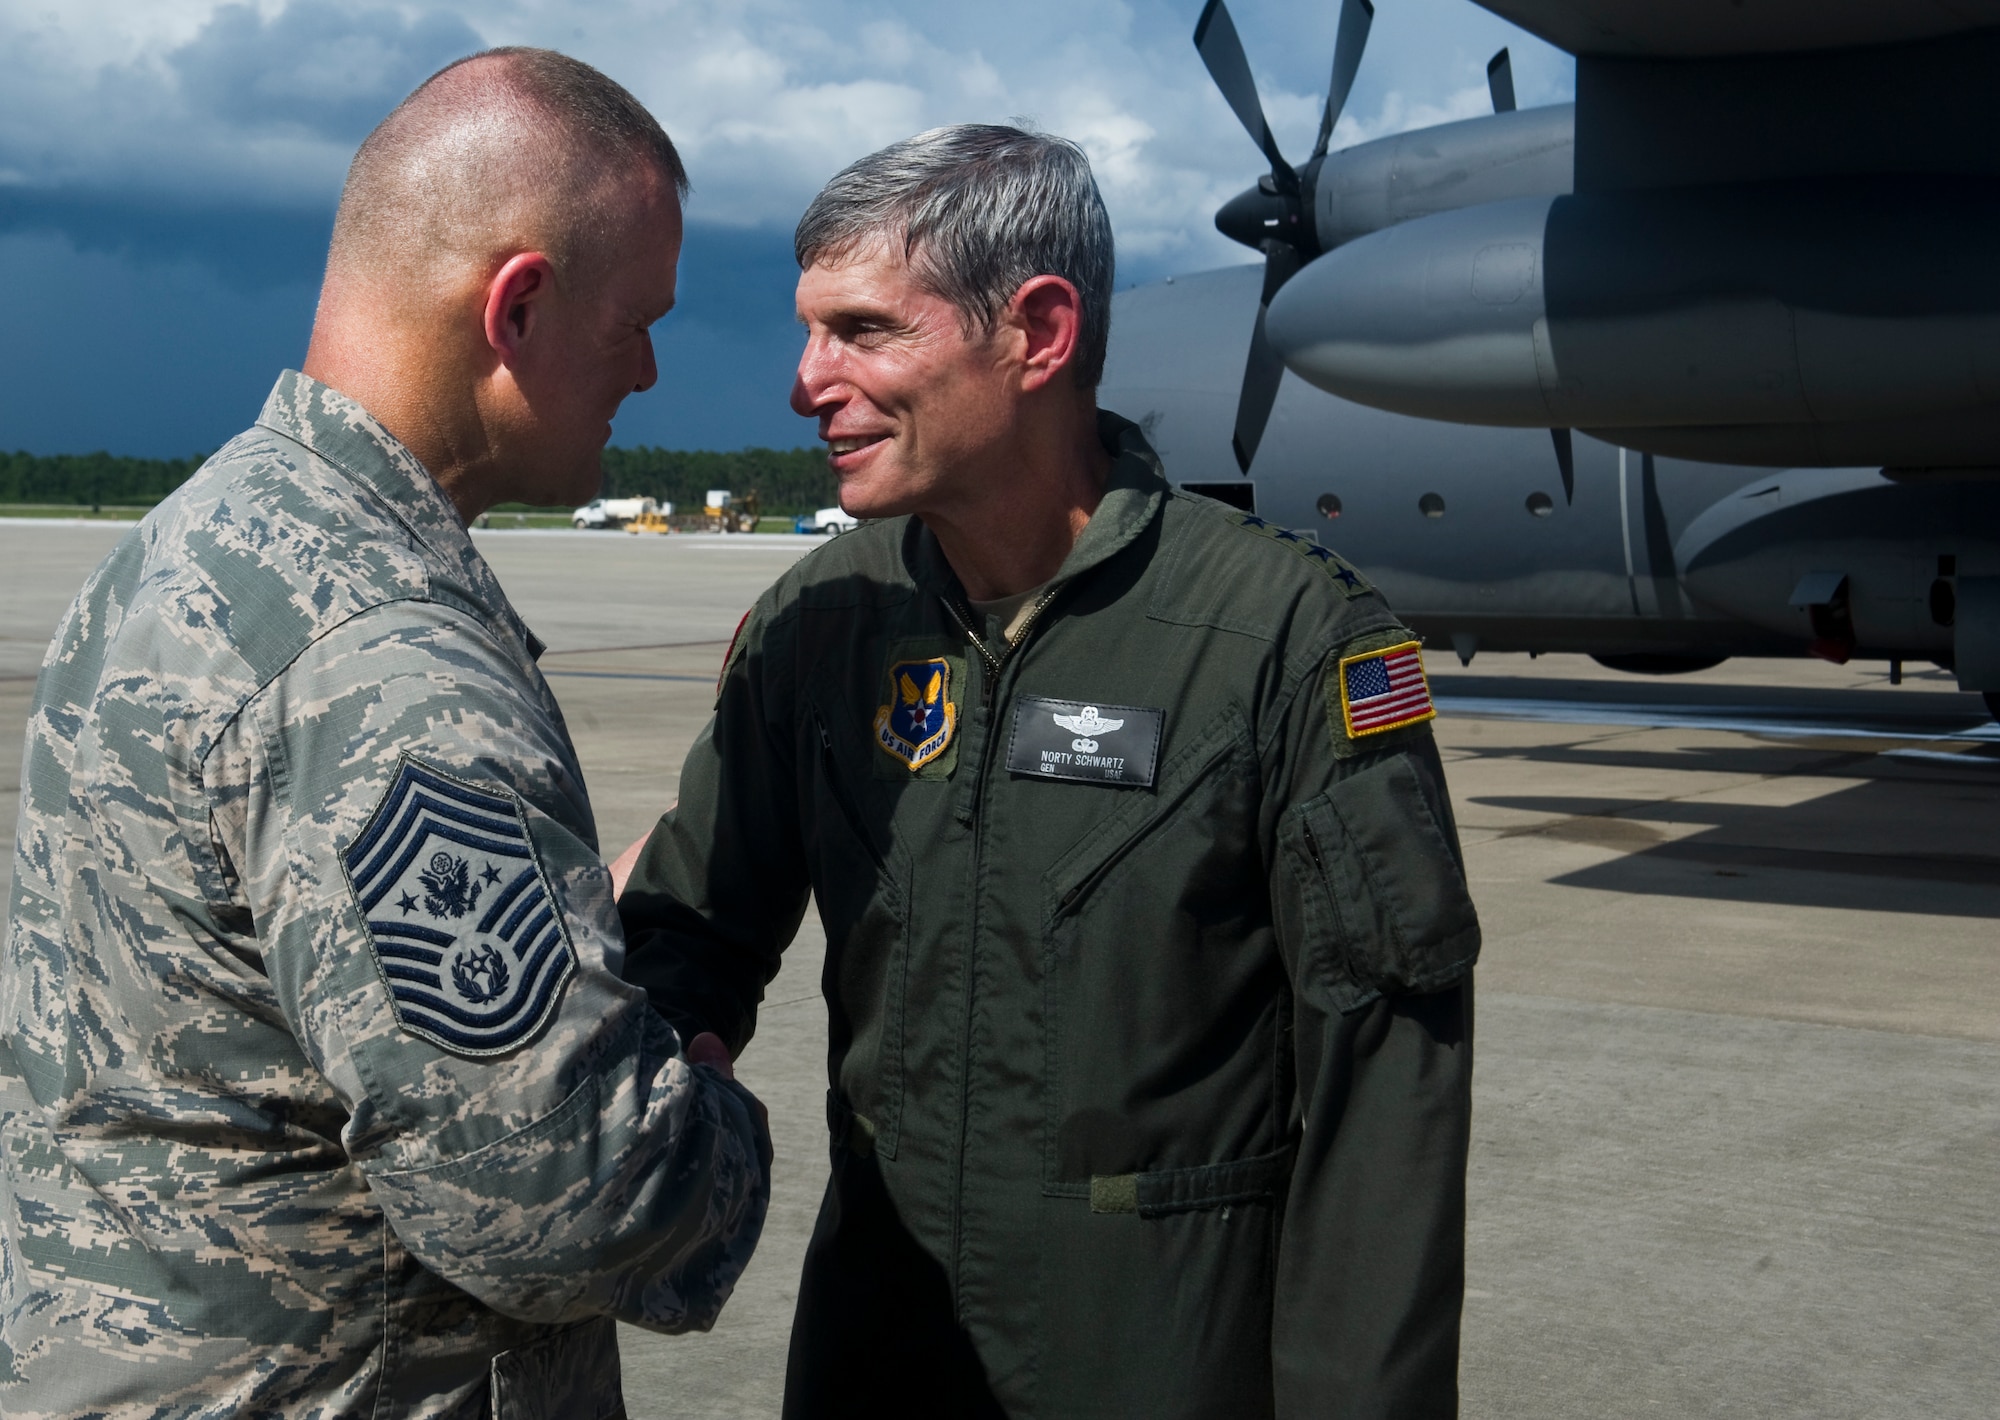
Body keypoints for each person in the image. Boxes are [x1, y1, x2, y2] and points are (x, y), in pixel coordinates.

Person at [614, 124, 1481, 1418]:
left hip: (1159, 1367)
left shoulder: (1283, 645)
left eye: (862, 330)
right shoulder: (818, 629)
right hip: (877, 1361)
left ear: (1039, 331)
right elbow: (690, 933)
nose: (807, 383)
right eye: (809, 333)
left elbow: (1385, 1112)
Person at [0, 49, 770, 1418]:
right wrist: (691, 1091)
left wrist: (552, 922)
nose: (653, 370)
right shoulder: (384, 662)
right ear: (518, 308)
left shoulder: (195, 546)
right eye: (635, 322)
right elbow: (555, 1197)